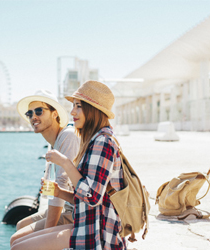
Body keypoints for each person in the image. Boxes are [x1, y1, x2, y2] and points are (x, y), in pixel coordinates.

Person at [11, 80, 126, 250]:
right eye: (30, 113)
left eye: (78, 106)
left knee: (18, 246)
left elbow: (92, 197)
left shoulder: (102, 142)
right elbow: (86, 197)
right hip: (85, 221)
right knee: (18, 242)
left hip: (97, 232)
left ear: (92, 110)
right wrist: (58, 191)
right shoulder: (94, 140)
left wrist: (64, 162)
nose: (72, 111)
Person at [10, 90, 80, 246]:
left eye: (39, 111)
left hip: (77, 211)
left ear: (55, 114)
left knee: (16, 241)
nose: (33, 116)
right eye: (30, 113)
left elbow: (61, 184)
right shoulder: (54, 142)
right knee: (20, 225)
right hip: (68, 207)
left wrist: (46, 234)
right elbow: (53, 188)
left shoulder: (68, 136)